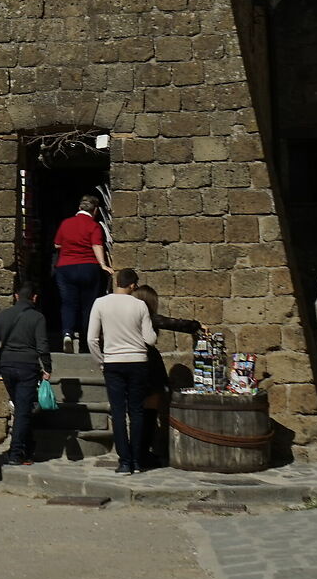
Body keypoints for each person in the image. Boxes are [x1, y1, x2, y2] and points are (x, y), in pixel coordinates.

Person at [88, 268, 157, 476]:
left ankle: (124, 461)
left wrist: (102, 361)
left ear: (117, 282)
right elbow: (150, 339)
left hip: (113, 362)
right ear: (133, 285)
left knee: (118, 413)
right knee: (136, 412)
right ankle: (137, 460)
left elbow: (92, 339)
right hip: (137, 361)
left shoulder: (100, 303)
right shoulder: (140, 305)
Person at [133, 283, 204, 469]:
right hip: (148, 366)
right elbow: (171, 322)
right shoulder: (145, 317)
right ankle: (141, 454)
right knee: (149, 412)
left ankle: (138, 452)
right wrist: (196, 326)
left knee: (139, 412)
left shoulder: (126, 318)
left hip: (132, 365)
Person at [0, 282, 54, 466]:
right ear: (35, 297)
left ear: (16, 296)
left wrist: (1, 354)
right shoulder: (37, 317)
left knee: (21, 406)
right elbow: (42, 346)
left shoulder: (4, 315)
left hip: (7, 366)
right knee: (24, 410)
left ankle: (27, 448)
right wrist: (47, 368)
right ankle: (16, 453)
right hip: (28, 367)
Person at [52, 195, 112, 351]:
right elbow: (97, 245)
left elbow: (57, 244)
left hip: (65, 268)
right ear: (95, 210)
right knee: (88, 306)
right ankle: (87, 341)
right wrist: (103, 265)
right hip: (88, 267)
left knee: (68, 303)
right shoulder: (94, 226)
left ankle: (67, 334)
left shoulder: (65, 223)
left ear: (79, 208)